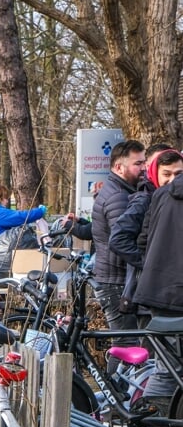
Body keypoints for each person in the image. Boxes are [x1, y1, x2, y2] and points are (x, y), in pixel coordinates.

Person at [112, 148, 183, 413]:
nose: (172, 178)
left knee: (168, 367)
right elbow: (126, 239)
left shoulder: (161, 195)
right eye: (167, 173)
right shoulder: (147, 197)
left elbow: (146, 240)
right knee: (167, 369)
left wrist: (155, 267)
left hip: (157, 291)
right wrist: (151, 264)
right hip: (164, 293)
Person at [92, 139, 146, 346]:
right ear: (118, 167)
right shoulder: (118, 197)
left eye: (144, 162)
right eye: (137, 164)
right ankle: (112, 379)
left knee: (125, 343)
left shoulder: (119, 191)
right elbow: (121, 241)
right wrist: (147, 265)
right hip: (116, 281)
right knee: (127, 345)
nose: (143, 168)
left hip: (112, 278)